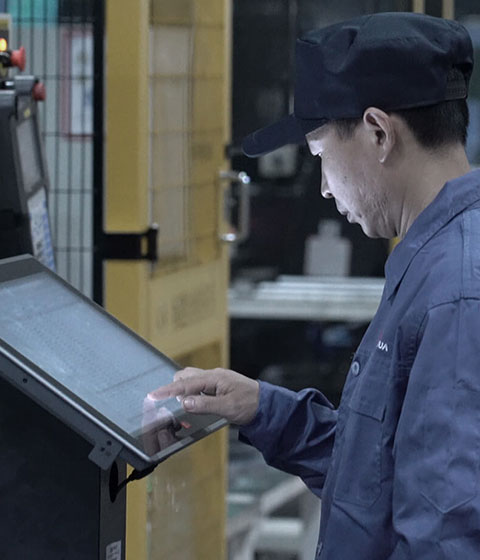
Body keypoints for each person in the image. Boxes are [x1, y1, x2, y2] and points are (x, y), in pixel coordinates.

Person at [149, 12, 480, 559]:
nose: (324, 188)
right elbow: (381, 477)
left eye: (321, 155)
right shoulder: (436, 258)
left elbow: (448, 539)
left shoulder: (458, 292)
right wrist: (260, 408)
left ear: (378, 133)